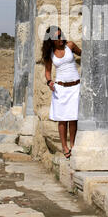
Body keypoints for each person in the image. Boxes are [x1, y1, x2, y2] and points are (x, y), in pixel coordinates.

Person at [42, 26, 81, 159]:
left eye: (61, 35)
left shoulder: (70, 46)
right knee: (62, 120)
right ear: (51, 40)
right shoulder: (50, 53)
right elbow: (47, 72)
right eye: (57, 37)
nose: (61, 39)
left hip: (75, 86)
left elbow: (85, 55)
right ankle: (65, 147)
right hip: (60, 88)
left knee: (73, 118)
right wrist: (49, 82)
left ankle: (74, 145)